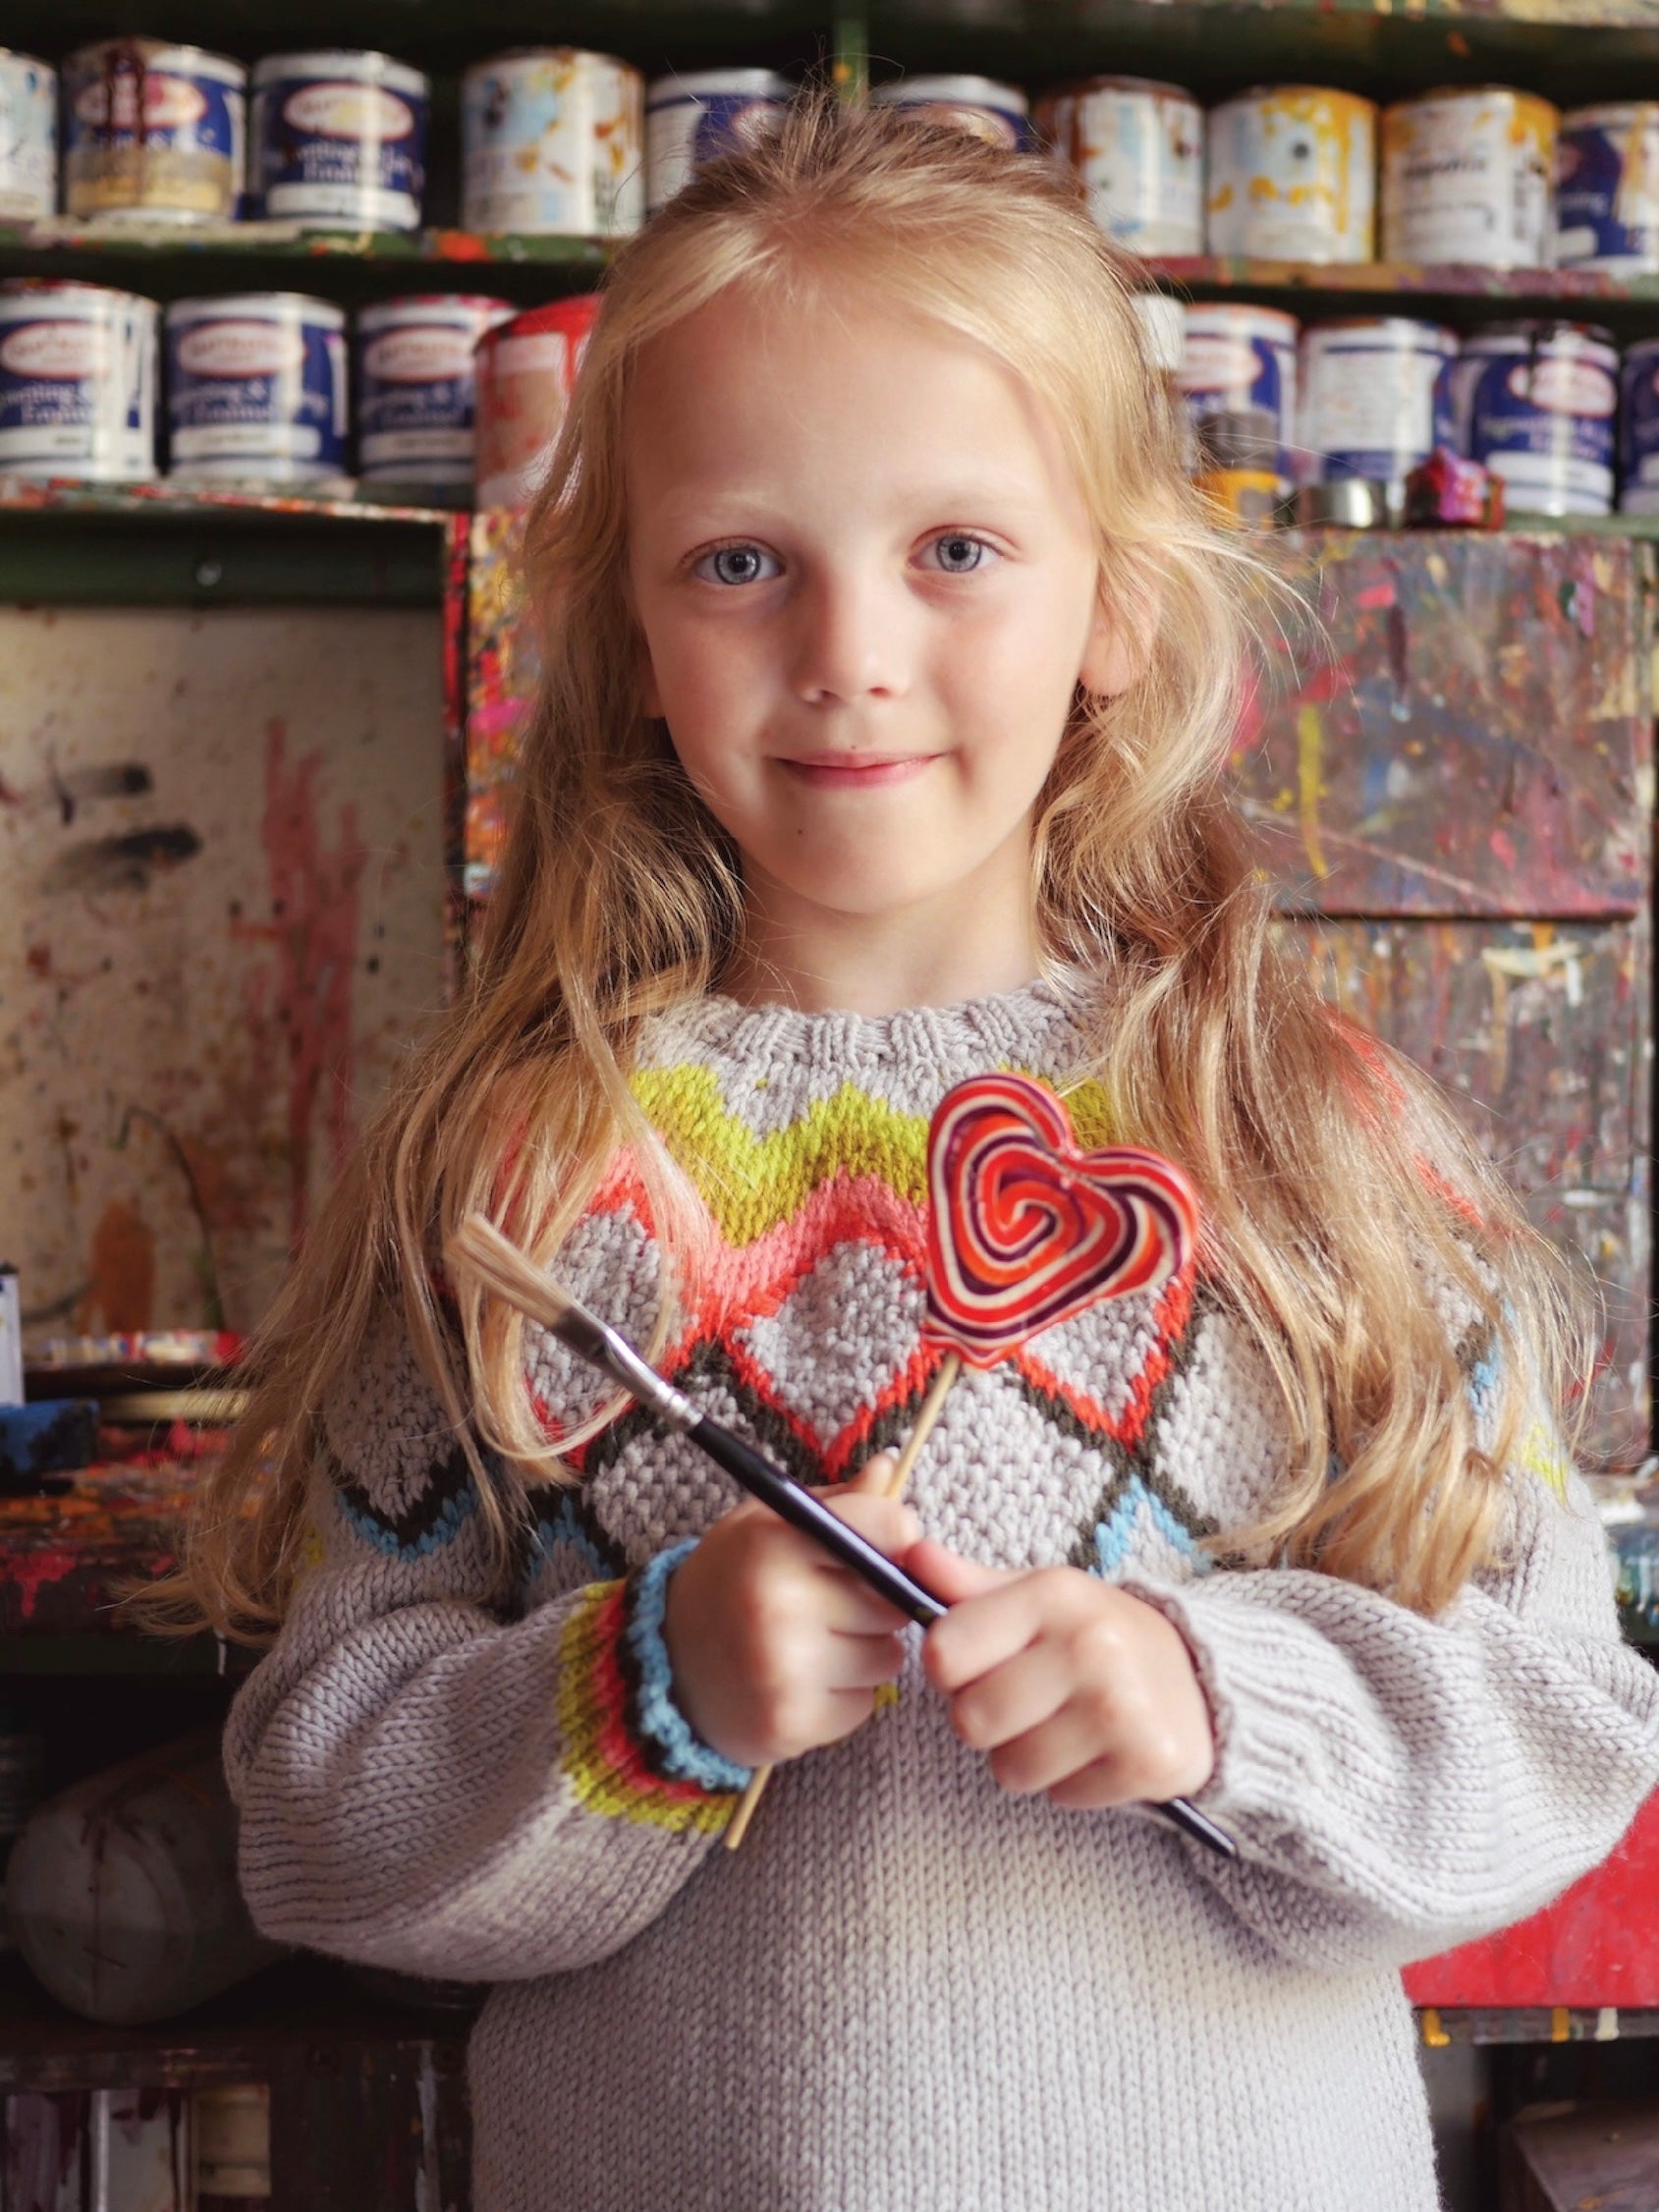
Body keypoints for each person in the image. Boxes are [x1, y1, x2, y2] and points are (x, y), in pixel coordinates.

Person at [151, 99, 1659, 2212]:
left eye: (954, 549)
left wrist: (1220, 1699)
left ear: (1112, 603)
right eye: (739, 561)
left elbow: (1559, 1728)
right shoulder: (514, 1187)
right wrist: (641, 1689)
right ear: (631, 631)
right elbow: (320, 1822)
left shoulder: (1314, 1142)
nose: (847, 652)